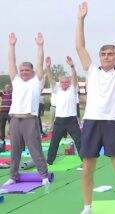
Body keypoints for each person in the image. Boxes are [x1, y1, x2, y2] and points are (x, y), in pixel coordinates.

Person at [76, 2, 115, 213]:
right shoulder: (92, 71)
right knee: (87, 170)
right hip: (92, 121)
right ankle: (87, 207)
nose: (106, 57)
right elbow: (80, 47)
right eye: (103, 54)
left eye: (110, 54)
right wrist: (81, 20)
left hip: (113, 123)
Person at [3, 32, 50, 187]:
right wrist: (11, 45)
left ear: (32, 72)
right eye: (21, 70)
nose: (23, 72)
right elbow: (11, 62)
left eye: (26, 70)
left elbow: (39, 61)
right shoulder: (15, 80)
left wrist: (40, 46)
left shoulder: (36, 81)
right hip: (15, 119)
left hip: (30, 119)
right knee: (14, 149)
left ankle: (43, 175)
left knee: (35, 149)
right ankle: (13, 176)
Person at [45, 56, 82, 165]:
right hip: (59, 121)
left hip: (71, 120)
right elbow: (51, 79)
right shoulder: (57, 89)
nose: (64, 84)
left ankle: (85, 161)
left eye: (66, 82)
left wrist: (72, 66)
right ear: (60, 83)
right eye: (62, 82)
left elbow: (75, 78)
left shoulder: (73, 89)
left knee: (79, 141)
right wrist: (48, 67)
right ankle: (49, 162)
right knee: (54, 142)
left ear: (69, 83)